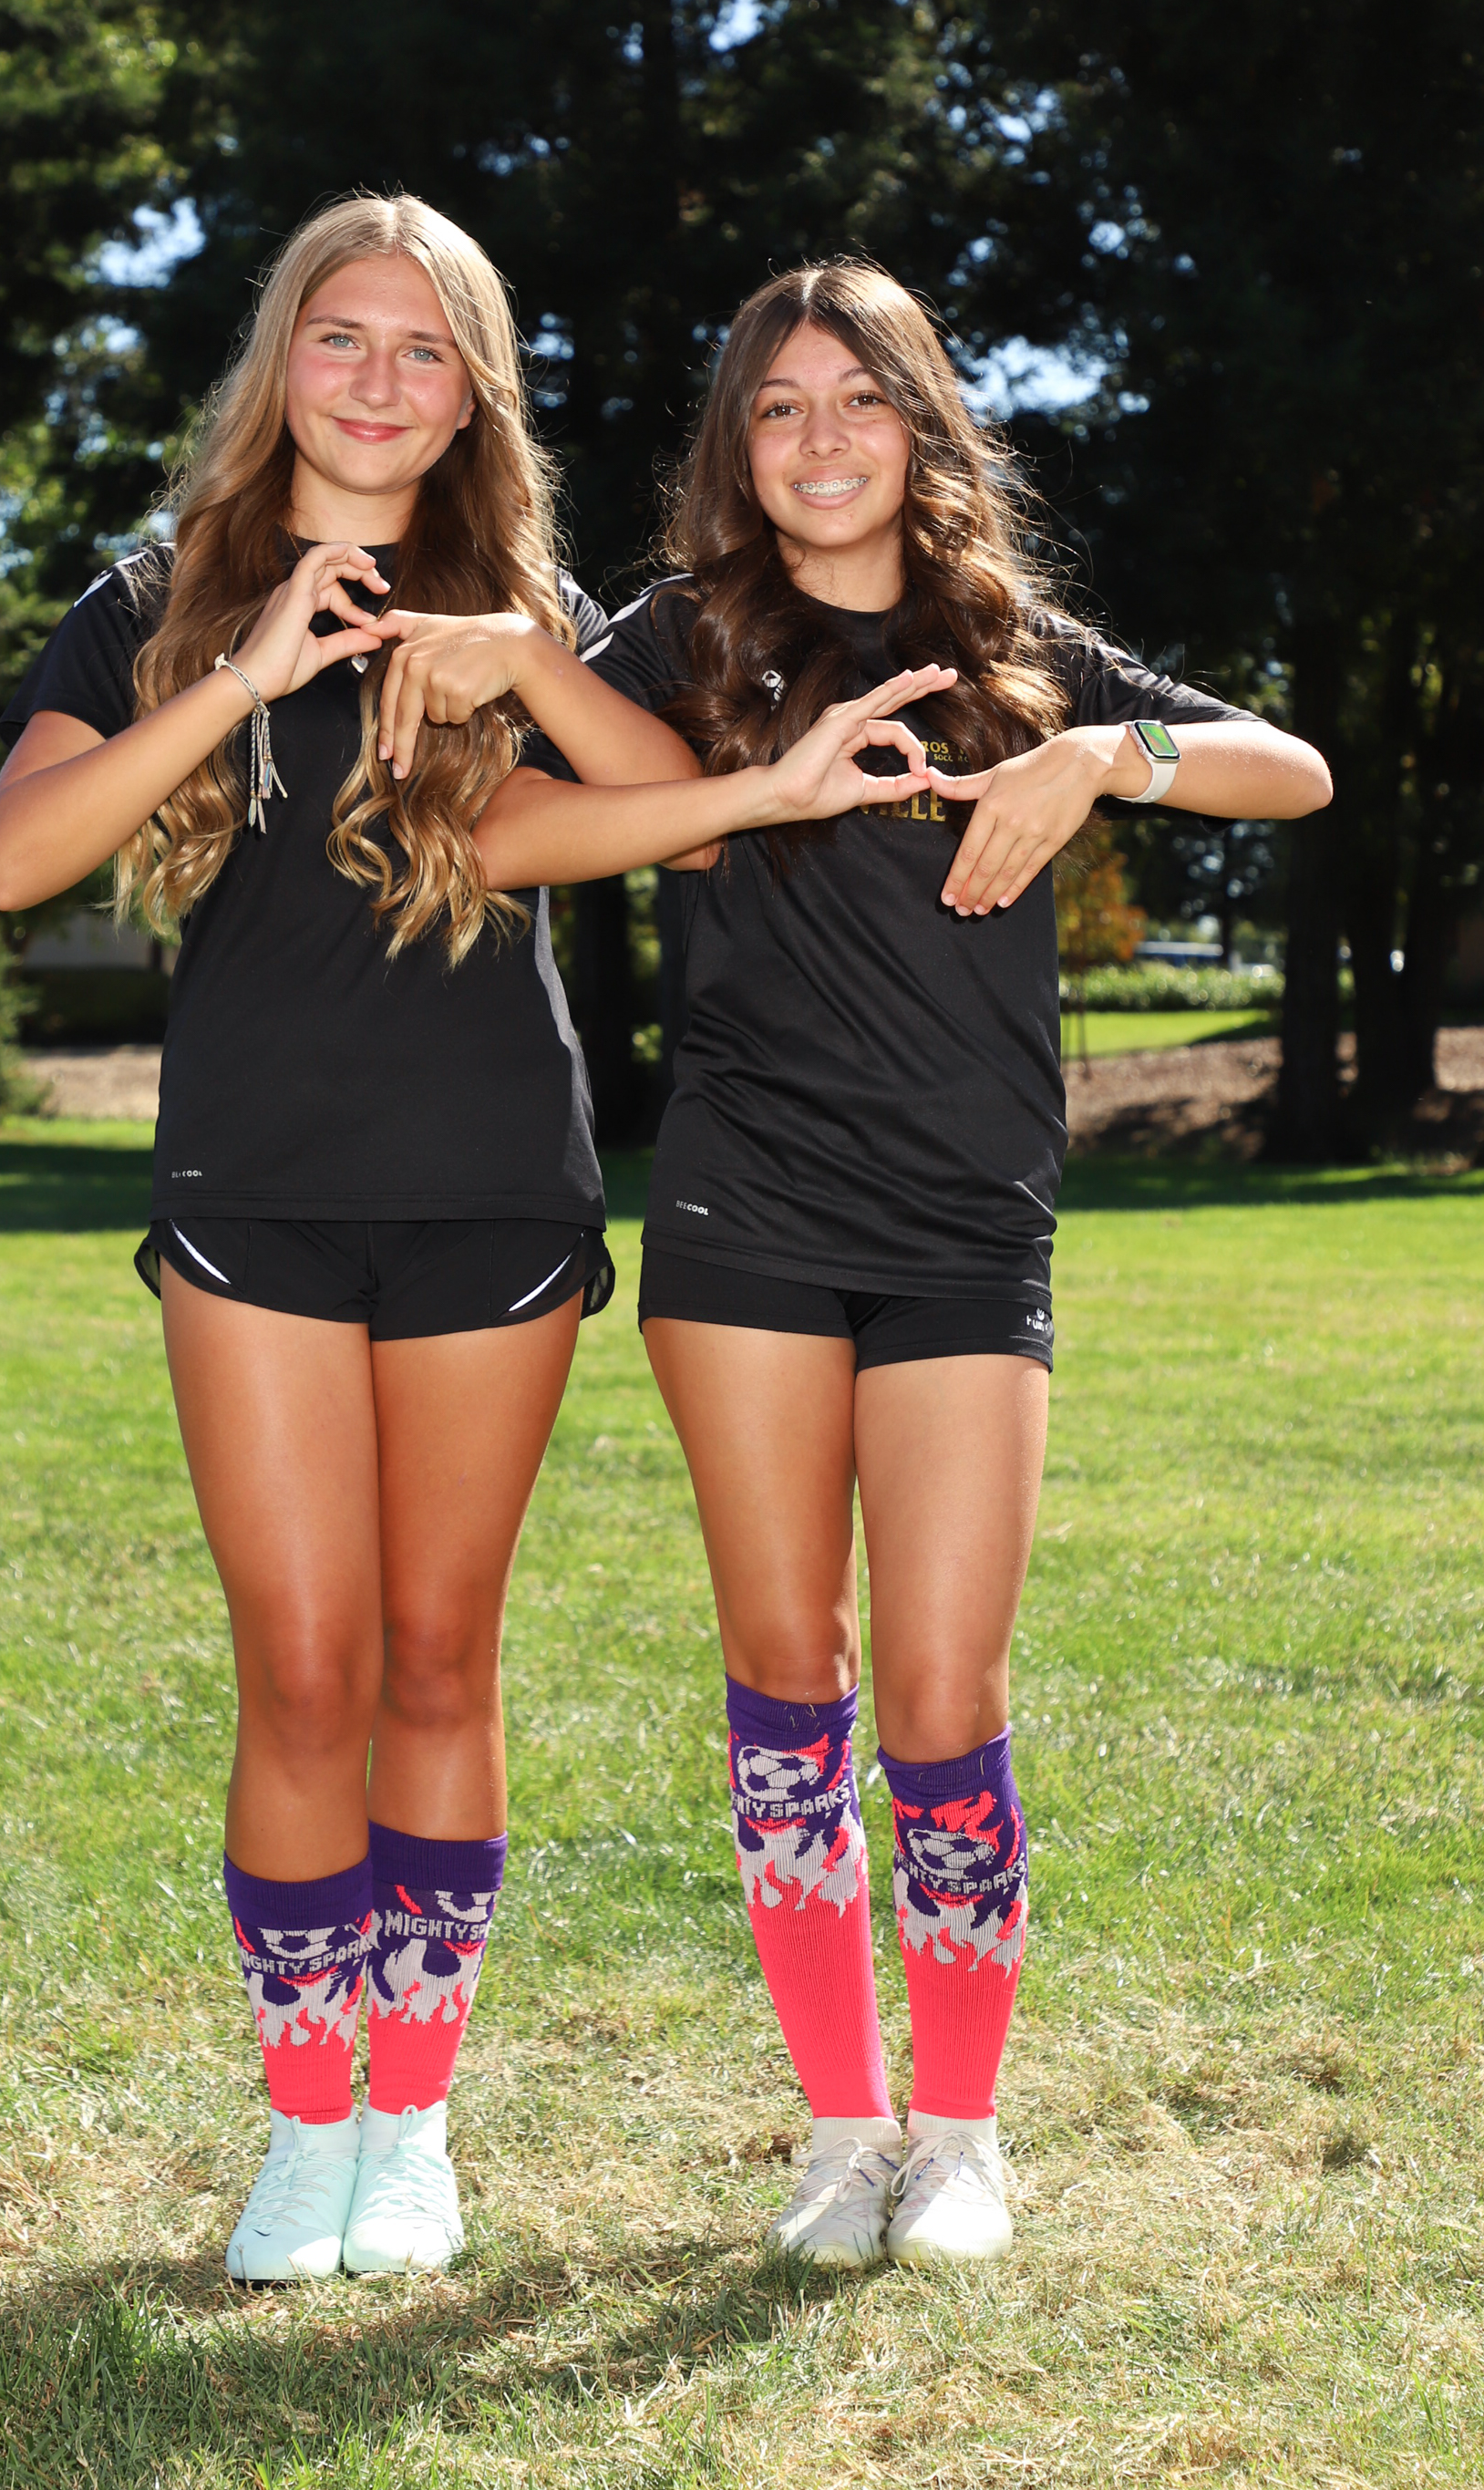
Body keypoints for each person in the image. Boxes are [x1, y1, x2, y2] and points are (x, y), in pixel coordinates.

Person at [466, 260, 1332, 2269]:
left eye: (859, 397)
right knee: (788, 1672)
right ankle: (844, 2129)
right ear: (735, 447)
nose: (821, 437)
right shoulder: (677, 639)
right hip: (746, 1216)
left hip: (964, 1224)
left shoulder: (1012, 649)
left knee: (942, 1690)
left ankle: (961, 2133)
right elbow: (504, 826)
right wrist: (673, 750)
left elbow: (1290, 769)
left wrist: (1103, 760)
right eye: (777, 406)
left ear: (922, 423)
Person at [0, 192, 722, 2284]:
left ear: (471, 393)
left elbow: (683, 805)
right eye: (341, 335)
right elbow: (21, 859)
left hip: (493, 1186)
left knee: (436, 1654)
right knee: (301, 1666)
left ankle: (416, 2122)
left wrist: (531, 658)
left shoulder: (535, 606)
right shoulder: (154, 595)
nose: (379, 379)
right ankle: (307, 2122)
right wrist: (243, 671)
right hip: (254, 1192)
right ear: (279, 360)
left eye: (425, 348)